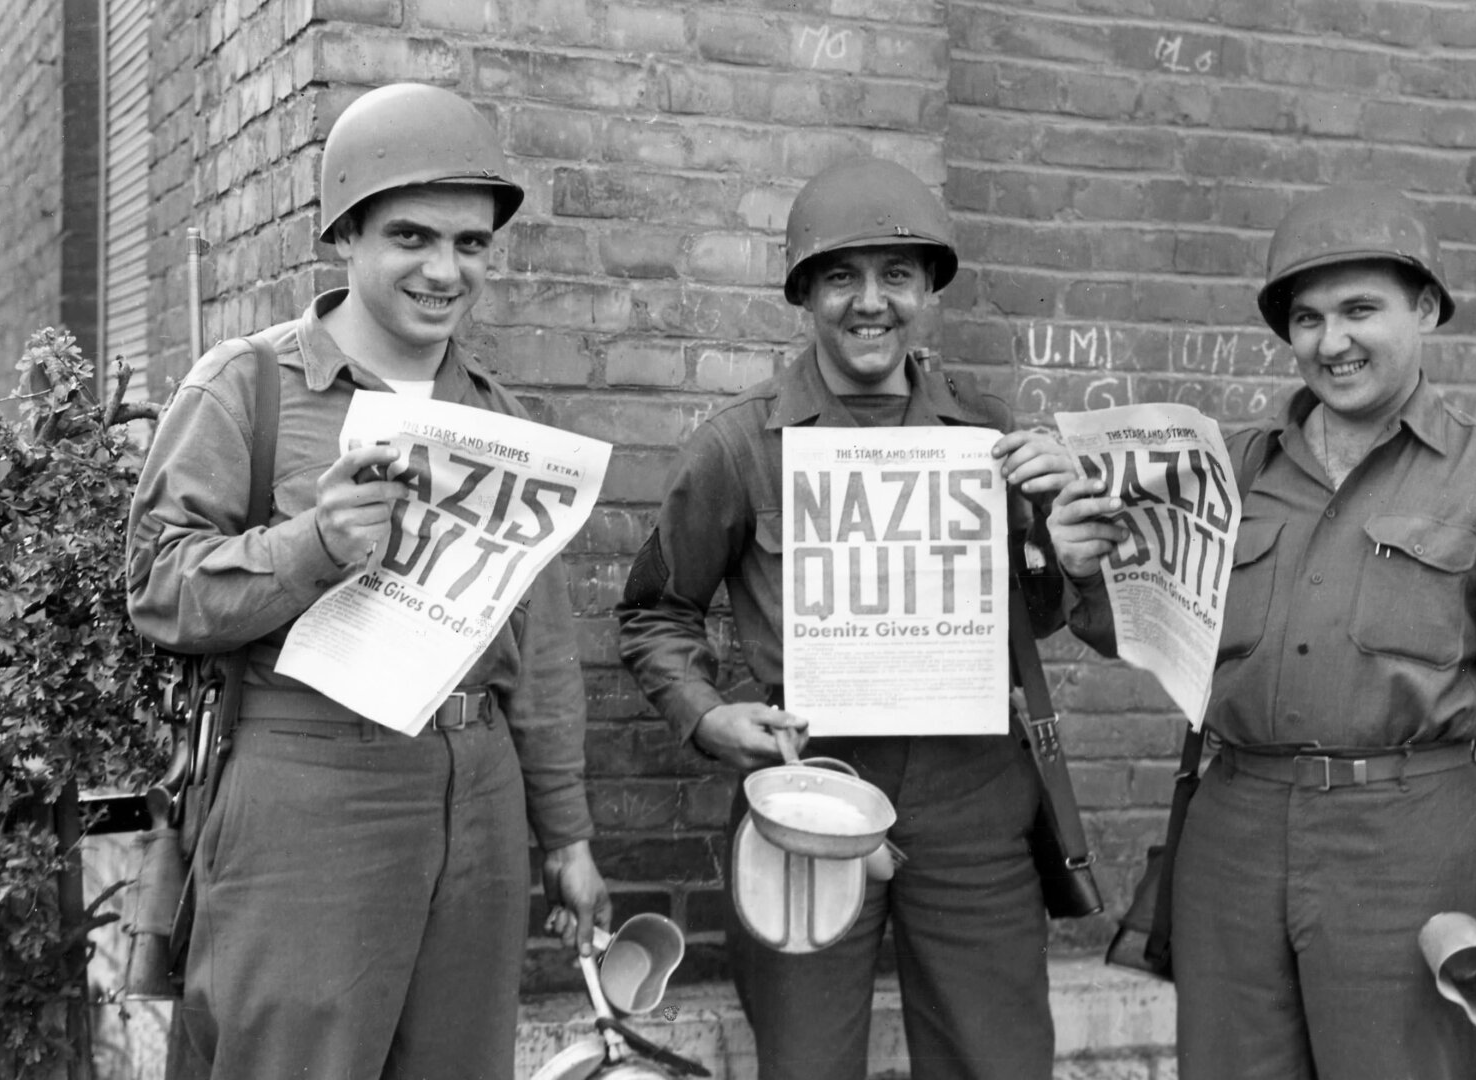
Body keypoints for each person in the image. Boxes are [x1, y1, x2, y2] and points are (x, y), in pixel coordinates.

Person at [1048, 183, 1476, 1080]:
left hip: (1409, 848)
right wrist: (1085, 569)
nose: (1332, 342)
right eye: (1308, 318)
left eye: (1361, 310)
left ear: (1425, 308)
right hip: (1236, 835)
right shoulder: (1224, 471)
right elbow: (1148, 626)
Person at [124, 82, 609, 1080]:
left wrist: (566, 835)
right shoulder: (247, 385)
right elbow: (157, 587)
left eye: (470, 244)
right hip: (304, 782)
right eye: (412, 237)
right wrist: (309, 545)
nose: (445, 269)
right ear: (346, 236)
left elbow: (541, 648)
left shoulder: (502, 419)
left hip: (478, 794)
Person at [616, 156, 1088, 1080]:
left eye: (896, 276)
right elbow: (656, 613)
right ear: (806, 295)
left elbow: (1036, 617)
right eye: (842, 277)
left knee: (998, 1057)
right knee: (806, 1060)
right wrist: (709, 716)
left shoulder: (989, 437)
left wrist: (1055, 545)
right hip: (810, 784)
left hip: (973, 791)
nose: (870, 303)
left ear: (927, 294)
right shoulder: (741, 445)